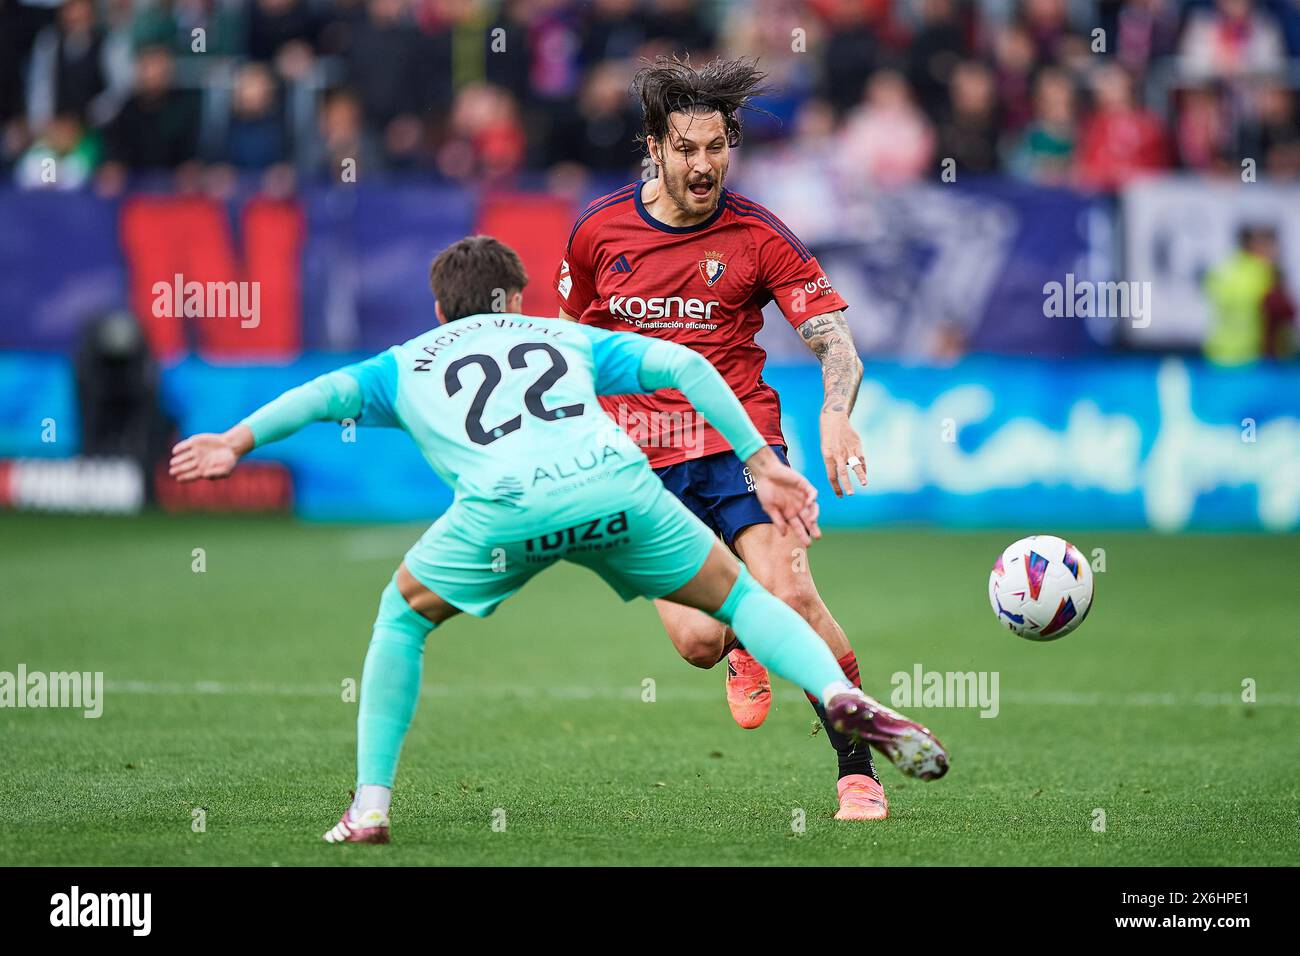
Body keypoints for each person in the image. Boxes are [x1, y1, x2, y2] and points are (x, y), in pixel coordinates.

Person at [169, 235, 893, 844]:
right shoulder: (560, 334)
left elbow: (321, 396)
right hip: (615, 486)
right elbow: (681, 364)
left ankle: (369, 808)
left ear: (440, 309)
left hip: (506, 513)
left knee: (402, 615)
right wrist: (762, 459)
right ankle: (835, 691)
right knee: (743, 598)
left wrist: (236, 441)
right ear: (515, 299)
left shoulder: (406, 360)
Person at [554, 56, 948, 821]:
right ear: (654, 146)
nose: (703, 167)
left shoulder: (759, 235)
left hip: (744, 446)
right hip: (646, 461)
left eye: (716, 148)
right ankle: (741, 636)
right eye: (686, 149)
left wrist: (836, 410)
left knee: (793, 592)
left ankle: (856, 772)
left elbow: (837, 343)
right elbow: (569, 348)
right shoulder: (598, 234)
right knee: (699, 641)